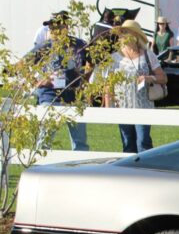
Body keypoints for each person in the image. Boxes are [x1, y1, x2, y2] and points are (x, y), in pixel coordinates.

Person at [99, 20, 168, 153]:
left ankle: (146, 171)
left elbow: (163, 78)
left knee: (143, 141)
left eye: (126, 32)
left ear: (135, 35)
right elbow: (109, 85)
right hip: (123, 107)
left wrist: (149, 78)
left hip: (143, 107)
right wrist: (108, 108)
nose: (123, 36)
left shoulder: (148, 55)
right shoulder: (114, 58)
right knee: (127, 143)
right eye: (122, 33)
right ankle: (129, 173)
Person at [28, 11, 89, 151]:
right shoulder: (45, 47)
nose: (53, 30)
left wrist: (84, 79)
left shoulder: (79, 44)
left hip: (74, 97)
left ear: (66, 27)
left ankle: (79, 172)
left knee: (80, 142)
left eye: (56, 26)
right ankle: (41, 171)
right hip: (50, 96)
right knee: (45, 140)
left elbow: (94, 61)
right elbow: (22, 66)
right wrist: (38, 82)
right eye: (51, 27)